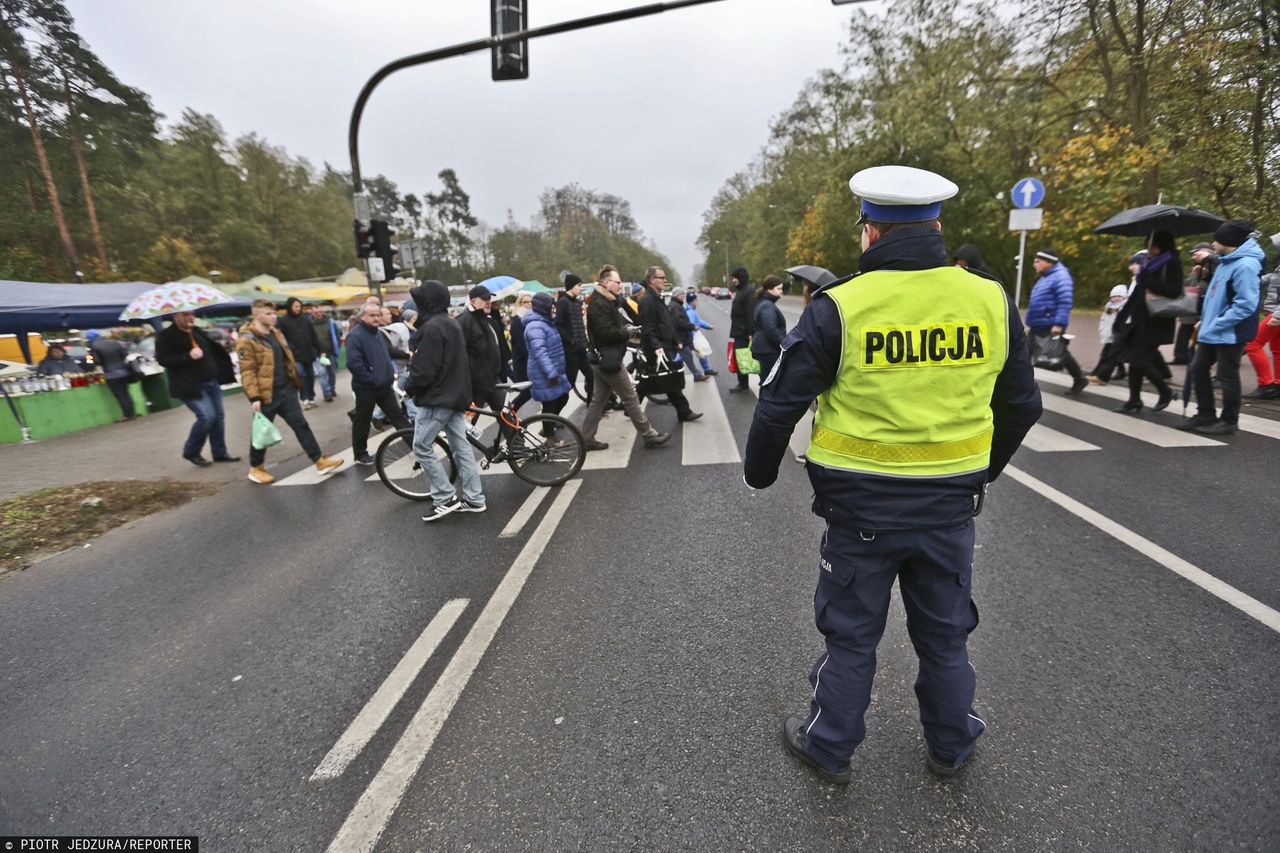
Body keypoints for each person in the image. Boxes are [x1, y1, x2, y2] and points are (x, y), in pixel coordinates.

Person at [744, 165, 1042, 784]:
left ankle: (830, 746)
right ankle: (952, 744)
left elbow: (779, 403)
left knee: (851, 634)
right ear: (935, 226)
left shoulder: (842, 306)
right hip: (949, 508)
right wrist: (982, 473)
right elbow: (1023, 404)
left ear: (871, 233)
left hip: (861, 512)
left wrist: (760, 475)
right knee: (945, 633)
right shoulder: (990, 298)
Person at [235, 300, 344, 484]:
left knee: (301, 424)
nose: (273, 317)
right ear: (256, 315)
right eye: (268, 314)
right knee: (261, 432)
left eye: (273, 313)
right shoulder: (247, 340)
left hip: (286, 389)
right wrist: (254, 396)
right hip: (265, 394)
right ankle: (256, 468)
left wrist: (293, 380)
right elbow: (247, 371)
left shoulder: (275, 332)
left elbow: (286, 357)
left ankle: (319, 461)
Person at [404, 281, 486, 521]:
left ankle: (444, 496)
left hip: (437, 397)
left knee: (421, 446)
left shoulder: (431, 328)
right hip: (455, 395)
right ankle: (474, 498)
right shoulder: (450, 323)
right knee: (462, 449)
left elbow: (425, 368)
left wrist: (409, 387)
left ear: (426, 302)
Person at [1177, 220, 1264, 435]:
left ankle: (1229, 421)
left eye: (1217, 239)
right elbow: (1217, 297)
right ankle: (1206, 414)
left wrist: (1216, 322)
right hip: (1214, 328)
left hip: (1231, 331)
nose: (1213, 243)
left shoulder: (1245, 265)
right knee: (1198, 369)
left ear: (1229, 241)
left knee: (1227, 375)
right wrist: (1205, 320)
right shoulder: (1227, 261)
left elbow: (1246, 304)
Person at [579, 265, 670, 451]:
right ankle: (649, 435)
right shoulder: (599, 303)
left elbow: (620, 321)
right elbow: (607, 333)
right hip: (607, 360)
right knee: (630, 398)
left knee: (598, 401)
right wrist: (627, 333)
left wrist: (628, 326)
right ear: (606, 282)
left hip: (600, 359)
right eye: (617, 282)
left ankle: (586, 438)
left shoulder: (608, 300)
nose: (620, 285)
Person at [155, 311, 238, 466]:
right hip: (190, 385)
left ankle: (219, 452)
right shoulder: (166, 336)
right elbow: (162, 359)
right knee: (207, 417)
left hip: (211, 381)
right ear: (176, 316)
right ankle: (192, 451)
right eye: (185, 315)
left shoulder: (197, 331)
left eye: (192, 314)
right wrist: (188, 357)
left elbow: (212, 351)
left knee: (218, 418)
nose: (190, 317)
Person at [1112, 232, 1182, 413]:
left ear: (1163, 245)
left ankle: (1165, 391)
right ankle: (1134, 400)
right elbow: (1137, 294)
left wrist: (1147, 279)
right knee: (1133, 362)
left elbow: (1174, 291)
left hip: (1157, 320)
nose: (1149, 250)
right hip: (1139, 320)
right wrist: (1121, 317)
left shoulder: (1171, 262)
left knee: (1138, 362)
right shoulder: (1150, 263)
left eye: (1153, 247)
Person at [345, 303, 412, 466]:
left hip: (384, 385)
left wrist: (406, 355)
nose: (376, 318)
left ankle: (416, 445)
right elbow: (354, 364)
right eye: (372, 315)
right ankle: (360, 454)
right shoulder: (355, 336)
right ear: (362, 317)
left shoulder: (379, 333)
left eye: (378, 315)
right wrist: (371, 379)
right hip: (366, 387)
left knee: (398, 416)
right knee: (363, 420)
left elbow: (389, 352)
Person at [637, 266, 702, 422]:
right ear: (652, 280)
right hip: (656, 348)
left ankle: (683, 411)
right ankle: (684, 411)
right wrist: (657, 346)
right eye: (662, 277)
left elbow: (665, 323)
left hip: (664, 345)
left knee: (659, 381)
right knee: (660, 380)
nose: (665, 280)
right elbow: (648, 328)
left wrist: (675, 340)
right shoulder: (647, 300)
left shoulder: (657, 298)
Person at [1025, 248, 1088, 395]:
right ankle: (1022, 383)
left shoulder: (1061, 276)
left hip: (1050, 323)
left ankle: (1079, 378)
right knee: (1027, 352)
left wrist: (1059, 324)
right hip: (1039, 323)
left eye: (1038, 261)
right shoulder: (1046, 276)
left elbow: (1064, 302)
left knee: (1059, 353)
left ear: (1048, 262)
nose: (1035, 264)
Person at [522, 292, 572, 441]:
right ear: (544, 308)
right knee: (549, 405)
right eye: (551, 307)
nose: (553, 309)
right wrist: (551, 372)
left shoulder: (545, 321)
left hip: (553, 370)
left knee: (563, 397)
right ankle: (550, 437)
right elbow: (540, 352)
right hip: (543, 373)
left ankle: (548, 428)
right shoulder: (535, 326)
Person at [458, 285, 506, 421]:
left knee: (508, 418)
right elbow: (459, 354)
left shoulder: (488, 320)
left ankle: (517, 443)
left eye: (489, 298)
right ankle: (460, 443)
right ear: (472, 302)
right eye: (484, 299)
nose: (488, 301)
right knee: (467, 425)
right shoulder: (463, 321)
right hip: (475, 385)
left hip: (493, 380)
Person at [1243, 232, 1280, 399]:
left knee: (1253, 344)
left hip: (1277, 313)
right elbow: (1275, 278)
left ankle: (1266, 384)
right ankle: (1278, 385)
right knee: (1277, 350)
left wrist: (1278, 315)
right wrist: (1254, 280)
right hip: (1275, 311)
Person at [1174, 242, 1217, 365]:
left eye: (1196, 254)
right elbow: (1190, 284)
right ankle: (1180, 356)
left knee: (1202, 332)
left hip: (1204, 303)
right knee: (1185, 328)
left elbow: (1211, 284)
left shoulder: (1212, 266)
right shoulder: (1195, 269)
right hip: (1191, 302)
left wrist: (1202, 274)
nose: (1194, 257)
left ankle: (1199, 358)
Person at [277, 297, 323, 409]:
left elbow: (313, 336)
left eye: (299, 306)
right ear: (290, 307)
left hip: (308, 354)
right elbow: (282, 338)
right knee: (301, 376)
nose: (298, 309)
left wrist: (319, 350)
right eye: (296, 306)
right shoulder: (283, 321)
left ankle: (311, 397)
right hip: (295, 356)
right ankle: (304, 398)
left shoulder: (305, 319)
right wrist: (292, 349)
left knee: (310, 376)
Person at [1085, 285, 1131, 385]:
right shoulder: (1109, 307)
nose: (1116, 298)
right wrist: (1103, 331)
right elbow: (1105, 320)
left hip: (1119, 334)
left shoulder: (1126, 306)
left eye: (1119, 295)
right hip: (1110, 334)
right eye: (1114, 296)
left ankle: (1101, 375)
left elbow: (1126, 320)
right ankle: (1101, 372)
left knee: (1110, 355)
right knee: (1108, 354)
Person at [557, 274, 593, 401]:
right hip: (571, 351)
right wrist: (570, 341)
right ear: (571, 286)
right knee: (569, 384)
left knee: (591, 375)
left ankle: (591, 405)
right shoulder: (562, 302)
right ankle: (555, 411)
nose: (581, 288)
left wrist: (586, 341)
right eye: (579, 285)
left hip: (582, 348)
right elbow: (558, 325)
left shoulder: (578, 302)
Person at [85, 329, 136, 420]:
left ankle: (128, 415)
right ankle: (132, 413)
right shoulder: (114, 342)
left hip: (111, 375)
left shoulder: (94, 346)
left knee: (120, 396)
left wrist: (88, 358)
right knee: (126, 394)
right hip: (124, 372)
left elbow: (96, 362)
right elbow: (124, 354)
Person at [750, 275, 787, 382]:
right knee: (770, 381)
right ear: (769, 289)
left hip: (765, 349)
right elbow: (771, 330)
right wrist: (784, 345)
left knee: (767, 380)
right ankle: (766, 399)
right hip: (768, 350)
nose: (781, 291)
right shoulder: (767, 305)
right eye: (778, 288)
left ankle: (765, 398)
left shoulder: (766, 303)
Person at [668, 288, 707, 381]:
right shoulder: (675, 307)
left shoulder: (675, 305)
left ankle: (672, 375)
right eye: (682, 295)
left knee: (675, 358)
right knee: (687, 356)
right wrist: (692, 326)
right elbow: (679, 322)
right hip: (679, 337)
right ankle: (696, 375)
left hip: (676, 337)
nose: (684, 296)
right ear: (677, 295)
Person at [728, 267, 755, 393]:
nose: (733, 280)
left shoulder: (748, 291)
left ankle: (743, 384)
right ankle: (743, 383)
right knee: (741, 357)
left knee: (742, 357)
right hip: (739, 330)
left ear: (741, 278)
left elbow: (750, 313)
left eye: (735, 278)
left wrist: (751, 332)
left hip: (743, 332)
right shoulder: (742, 290)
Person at [310, 303, 341, 403]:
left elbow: (337, 334)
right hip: (318, 353)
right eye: (316, 312)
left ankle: (331, 389)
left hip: (330, 351)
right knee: (322, 373)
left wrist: (337, 346)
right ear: (312, 313)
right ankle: (327, 393)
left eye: (320, 311)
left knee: (331, 372)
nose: (319, 313)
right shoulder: (309, 323)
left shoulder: (330, 322)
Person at [509, 292, 534, 412]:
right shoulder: (518, 321)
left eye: (530, 302)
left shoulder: (529, 319)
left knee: (531, 391)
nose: (529, 304)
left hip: (528, 361)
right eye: (525, 302)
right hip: (522, 363)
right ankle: (510, 411)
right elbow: (522, 345)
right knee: (526, 393)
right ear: (519, 304)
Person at [683, 292, 718, 376]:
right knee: (684, 354)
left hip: (692, 336)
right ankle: (705, 370)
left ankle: (707, 369)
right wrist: (691, 339)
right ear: (692, 302)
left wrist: (708, 326)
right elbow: (691, 325)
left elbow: (698, 321)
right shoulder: (690, 312)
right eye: (696, 300)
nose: (697, 302)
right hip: (693, 336)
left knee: (701, 352)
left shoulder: (690, 310)